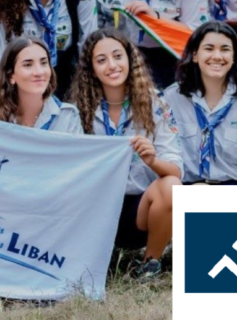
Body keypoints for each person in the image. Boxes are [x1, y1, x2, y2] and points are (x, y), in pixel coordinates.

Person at [71, 29, 182, 279]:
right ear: (92, 69)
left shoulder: (155, 103)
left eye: (118, 56)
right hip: (93, 209)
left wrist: (153, 160)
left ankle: (150, 263)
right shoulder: (79, 108)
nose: (112, 65)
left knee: (171, 186)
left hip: (138, 210)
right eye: (101, 60)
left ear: (130, 60)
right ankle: (87, 258)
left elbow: (176, 170)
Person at [163, 22, 237, 185]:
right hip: (186, 188)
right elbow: (164, 155)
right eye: (209, 48)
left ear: (234, 57)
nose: (217, 56)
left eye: (225, 49)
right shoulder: (171, 97)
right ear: (195, 55)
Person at [0, 37, 82, 133]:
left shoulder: (68, 116)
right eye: (28, 65)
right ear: (10, 76)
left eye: (44, 63)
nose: (39, 72)